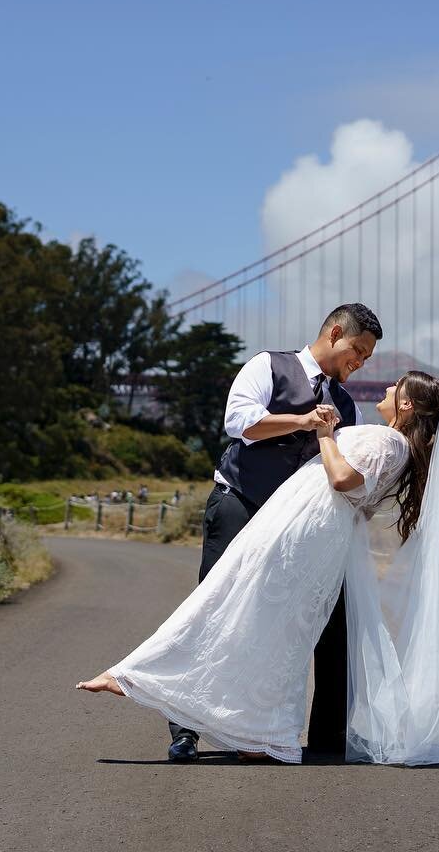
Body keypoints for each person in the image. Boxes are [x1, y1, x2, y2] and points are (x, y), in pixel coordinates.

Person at [78, 371, 439, 766]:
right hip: (315, 528)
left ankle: (140, 678)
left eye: (397, 388)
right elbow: (365, 500)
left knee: (232, 599)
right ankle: (260, 732)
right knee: (279, 629)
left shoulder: (389, 441)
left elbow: (343, 480)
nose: (389, 387)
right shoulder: (396, 446)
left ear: (406, 405)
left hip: (303, 527)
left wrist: (324, 436)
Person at [150, 302, 382, 762]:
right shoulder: (268, 366)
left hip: (294, 528)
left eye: (367, 357)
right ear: (334, 333)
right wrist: (303, 421)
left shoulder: (348, 404)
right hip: (239, 502)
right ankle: (186, 731)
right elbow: (238, 423)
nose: (360, 362)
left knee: (275, 624)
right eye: (357, 350)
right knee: (214, 613)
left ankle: (264, 733)